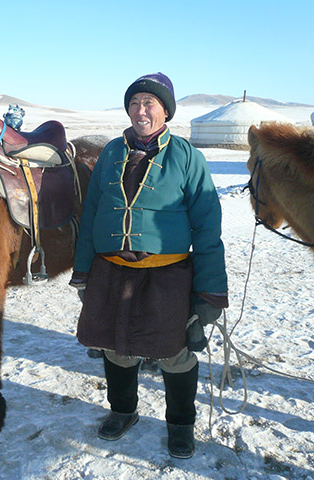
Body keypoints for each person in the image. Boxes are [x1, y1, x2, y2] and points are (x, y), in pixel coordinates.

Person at [70, 73, 228, 459]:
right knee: (117, 349)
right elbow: (91, 214)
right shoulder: (111, 152)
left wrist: (210, 289)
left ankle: (181, 424)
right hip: (112, 270)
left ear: (166, 111)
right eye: (134, 103)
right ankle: (123, 411)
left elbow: (208, 227)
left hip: (166, 274)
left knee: (173, 353)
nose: (141, 111)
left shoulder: (187, 157)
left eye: (149, 103)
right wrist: (83, 272)